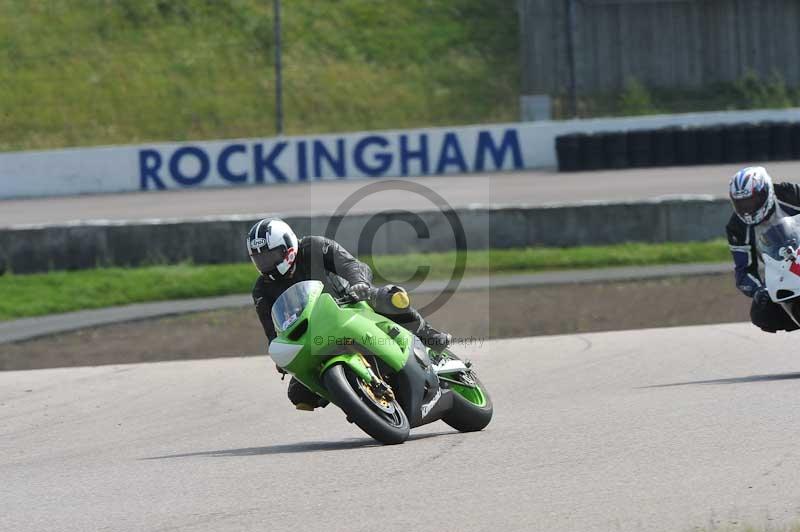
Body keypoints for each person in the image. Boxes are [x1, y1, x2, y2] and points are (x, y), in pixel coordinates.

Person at [247, 218, 452, 410]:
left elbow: (350, 264)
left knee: (391, 297)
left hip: (352, 303)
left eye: (270, 256)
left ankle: (428, 335)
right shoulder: (262, 289)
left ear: (288, 247)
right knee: (299, 395)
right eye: (260, 259)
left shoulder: (314, 247)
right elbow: (272, 331)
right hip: (315, 334)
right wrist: (281, 357)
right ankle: (354, 398)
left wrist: (359, 283)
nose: (266, 264)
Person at [727, 166, 800, 333]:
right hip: (783, 274)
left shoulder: (790, 193)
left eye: (752, 200)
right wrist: (759, 291)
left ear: (767, 191)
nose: (747, 208)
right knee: (762, 312)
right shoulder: (737, 227)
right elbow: (744, 271)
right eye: (741, 203)